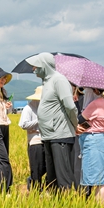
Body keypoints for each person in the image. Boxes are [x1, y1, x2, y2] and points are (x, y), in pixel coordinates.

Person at [26, 53, 78, 192]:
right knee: (52, 178)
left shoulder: (59, 80)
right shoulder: (46, 82)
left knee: (63, 177)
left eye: (36, 67)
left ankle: (68, 205)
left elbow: (70, 106)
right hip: (48, 136)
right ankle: (56, 205)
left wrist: (75, 125)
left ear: (44, 66)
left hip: (60, 135)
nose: (34, 70)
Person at [77, 88, 104, 202]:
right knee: (100, 179)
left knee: (98, 181)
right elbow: (91, 123)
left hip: (93, 143)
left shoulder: (94, 104)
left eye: (87, 90)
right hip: (98, 140)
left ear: (94, 90)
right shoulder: (101, 102)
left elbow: (80, 119)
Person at [19, 86, 46, 190]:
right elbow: (23, 124)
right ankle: (35, 191)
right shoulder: (29, 108)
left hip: (46, 140)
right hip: (35, 142)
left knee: (47, 166)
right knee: (36, 168)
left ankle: (35, 183)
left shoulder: (47, 108)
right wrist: (39, 121)